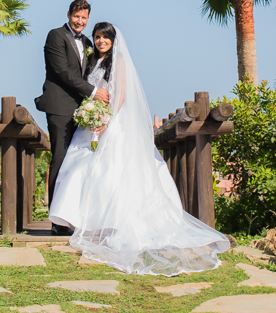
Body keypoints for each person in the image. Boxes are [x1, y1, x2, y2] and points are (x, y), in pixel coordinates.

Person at [48, 22, 229, 275]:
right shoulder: (92, 63)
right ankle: (80, 220)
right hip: (91, 124)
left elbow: (120, 94)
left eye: (105, 38)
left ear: (113, 40)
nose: (100, 41)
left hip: (113, 120)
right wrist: (91, 116)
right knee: (79, 167)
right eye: (97, 37)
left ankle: (113, 221)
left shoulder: (118, 62)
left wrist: (107, 118)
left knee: (112, 170)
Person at [35, 0, 110, 235]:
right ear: (68, 14)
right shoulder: (55, 36)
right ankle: (57, 221)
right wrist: (93, 92)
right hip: (59, 107)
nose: (80, 21)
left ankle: (76, 215)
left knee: (79, 162)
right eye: (76, 16)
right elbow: (62, 72)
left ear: (88, 20)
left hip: (82, 111)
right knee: (59, 158)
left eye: (84, 18)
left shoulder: (88, 42)